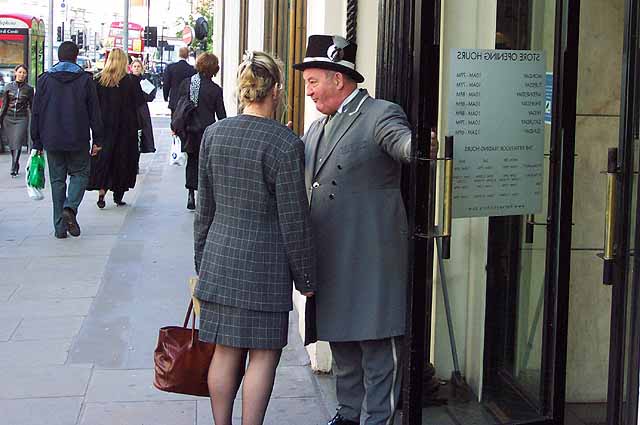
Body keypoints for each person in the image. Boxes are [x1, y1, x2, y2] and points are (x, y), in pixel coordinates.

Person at [293, 35, 436, 425]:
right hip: (332, 254)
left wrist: (419, 145)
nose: (308, 91)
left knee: (377, 346)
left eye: (312, 82)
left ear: (339, 79)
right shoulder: (317, 127)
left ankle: (377, 420)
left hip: (371, 256)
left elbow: (403, 144)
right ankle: (348, 413)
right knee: (342, 343)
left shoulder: (380, 113)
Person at [193, 51, 316, 425]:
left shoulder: (214, 135)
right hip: (265, 266)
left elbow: (204, 210)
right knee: (263, 354)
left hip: (219, 259)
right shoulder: (285, 143)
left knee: (225, 352)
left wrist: (203, 264)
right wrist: (306, 278)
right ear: (276, 90)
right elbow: (294, 219)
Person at [30, 41, 104, 239]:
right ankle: (70, 208)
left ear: (59, 56)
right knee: (80, 173)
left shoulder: (44, 80)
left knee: (57, 181)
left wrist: (36, 141)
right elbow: (94, 112)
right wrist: (98, 139)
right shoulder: (85, 80)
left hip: (51, 138)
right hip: (78, 138)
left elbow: (36, 112)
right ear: (75, 56)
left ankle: (59, 229)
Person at [88, 48, 145, 208]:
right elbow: (140, 103)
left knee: (105, 158)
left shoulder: (98, 81)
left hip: (104, 127)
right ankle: (118, 194)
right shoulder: (130, 81)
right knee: (122, 160)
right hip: (126, 128)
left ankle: (101, 190)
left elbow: (93, 105)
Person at [176, 52, 226, 210]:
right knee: (205, 164)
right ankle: (204, 195)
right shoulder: (215, 90)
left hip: (190, 130)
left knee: (192, 161)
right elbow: (221, 115)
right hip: (207, 131)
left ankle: (190, 194)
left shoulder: (187, 83)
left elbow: (179, 106)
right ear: (214, 69)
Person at [0, 64, 34, 176]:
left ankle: (14, 165)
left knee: (18, 141)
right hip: (8, 118)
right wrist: (1, 118)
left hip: (21, 118)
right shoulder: (8, 87)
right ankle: (15, 161)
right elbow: (4, 105)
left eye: (24, 73)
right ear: (15, 73)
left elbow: (32, 105)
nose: (21, 75)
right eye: (19, 72)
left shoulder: (29, 89)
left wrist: (35, 118)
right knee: (11, 143)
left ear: (26, 75)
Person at [130, 58, 157, 154]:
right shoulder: (128, 80)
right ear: (131, 68)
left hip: (141, 110)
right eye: (135, 66)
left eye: (138, 66)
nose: (136, 68)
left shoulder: (144, 80)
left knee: (142, 133)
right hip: (130, 109)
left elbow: (151, 95)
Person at [163, 47, 196, 116]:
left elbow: (166, 83)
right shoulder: (192, 69)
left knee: (175, 121)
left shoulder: (170, 67)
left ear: (179, 54)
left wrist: (165, 96)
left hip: (174, 99)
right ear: (187, 55)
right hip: (187, 100)